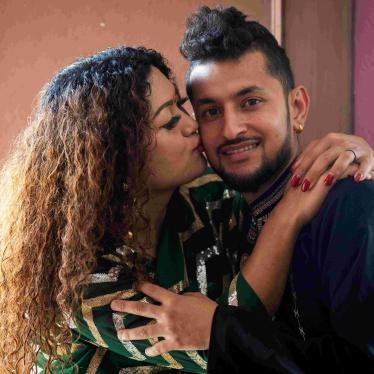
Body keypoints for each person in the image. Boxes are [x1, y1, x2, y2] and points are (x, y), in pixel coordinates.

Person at [0, 47, 372, 373]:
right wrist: (289, 214)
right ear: (118, 161)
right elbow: (231, 333)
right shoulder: (76, 273)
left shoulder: (210, 198)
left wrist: (349, 154)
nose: (195, 126)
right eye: (170, 121)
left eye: (183, 106)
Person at [110, 6, 374, 373]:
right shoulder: (220, 215)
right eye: (210, 112)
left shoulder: (349, 205)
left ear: (296, 107)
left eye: (251, 102)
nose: (231, 129)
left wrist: (220, 330)